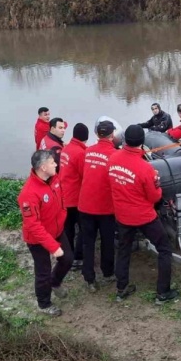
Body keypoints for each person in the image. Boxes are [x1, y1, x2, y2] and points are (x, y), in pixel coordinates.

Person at [108, 124, 178, 304]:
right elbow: (155, 196)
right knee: (164, 248)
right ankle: (163, 292)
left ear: (125, 141)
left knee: (123, 250)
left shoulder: (113, 159)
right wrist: (156, 182)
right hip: (144, 216)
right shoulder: (145, 168)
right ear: (141, 143)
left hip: (122, 215)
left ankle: (121, 288)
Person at [18, 150, 73, 317]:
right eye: (52, 162)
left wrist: (62, 216)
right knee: (43, 271)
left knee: (68, 259)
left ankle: (55, 282)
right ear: (43, 167)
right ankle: (44, 304)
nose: (56, 164)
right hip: (37, 239)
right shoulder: (29, 194)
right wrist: (53, 247)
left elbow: (61, 201)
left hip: (56, 230)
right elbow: (33, 225)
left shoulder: (54, 179)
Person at [77, 120, 117, 292]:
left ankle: (89, 278)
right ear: (112, 135)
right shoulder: (115, 155)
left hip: (85, 204)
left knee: (88, 242)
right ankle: (107, 273)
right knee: (108, 241)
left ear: (97, 135)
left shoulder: (87, 152)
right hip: (105, 207)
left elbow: (83, 173)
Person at [59, 123, 88, 271]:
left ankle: (67, 256)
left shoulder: (66, 149)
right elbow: (85, 175)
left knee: (68, 228)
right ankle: (78, 257)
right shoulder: (80, 153)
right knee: (83, 228)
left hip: (64, 195)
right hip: (76, 198)